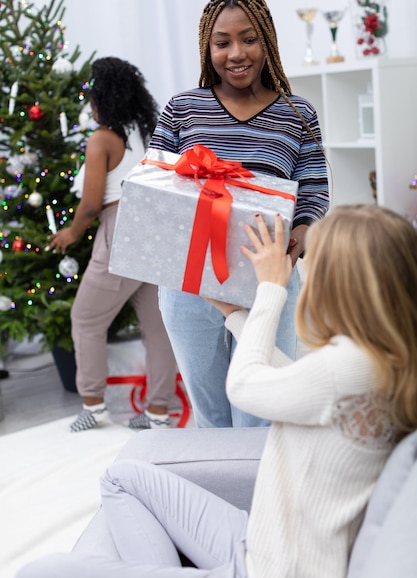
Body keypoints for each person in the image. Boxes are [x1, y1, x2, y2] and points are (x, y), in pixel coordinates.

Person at [17, 204, 417, 578]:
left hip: (273, 569)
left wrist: (270, 291)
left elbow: (244, 387)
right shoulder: (382, 358)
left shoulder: (348, 366)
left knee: (42, 571)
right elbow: (291, 383)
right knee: (123, 477)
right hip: (258, 541)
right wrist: (234, 315)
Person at [149, 0, 329, 427]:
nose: (236, 53)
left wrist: (286, 259)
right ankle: (221, 497)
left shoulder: (297, 114)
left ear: (266, 40)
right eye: (222, 42)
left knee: (262, 414)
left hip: (269, 286)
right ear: (206, 48)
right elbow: (154, 189)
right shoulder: (182, 109)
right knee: (212, 417)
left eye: (248, 39)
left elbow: (315, 198)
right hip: (190, 287)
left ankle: (261, 497)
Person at [48, 56, 178, 433]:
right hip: (156, 229)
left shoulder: (102, 139)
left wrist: (70, 233)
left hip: (120, 229)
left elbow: (90, 204)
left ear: (101, 97)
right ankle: (158, 413)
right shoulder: (147, 132)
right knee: (156, 326)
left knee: (86, 319)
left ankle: (93, 404)